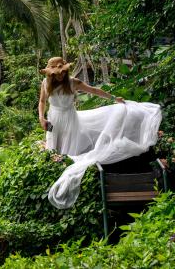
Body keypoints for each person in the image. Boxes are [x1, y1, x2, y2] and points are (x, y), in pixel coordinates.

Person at [37, 57, 162, 209]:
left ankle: (76, 195)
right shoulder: (46, 84)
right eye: (57, 73)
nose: (61, 75)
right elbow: (42, 101)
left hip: (70, 119)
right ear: (50, 74)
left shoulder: (72, 82)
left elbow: (94, 90)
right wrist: (41, 118)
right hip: (54, 119)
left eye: (63, 71)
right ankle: (49, 181)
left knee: (68, 151)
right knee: (53, 150)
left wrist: (114, 98)